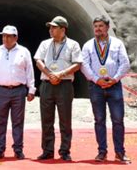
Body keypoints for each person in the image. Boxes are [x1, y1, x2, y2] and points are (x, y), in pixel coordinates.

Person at [81, 15, 131, 163]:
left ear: (107, 27)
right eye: (95, 26)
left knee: (117, 120)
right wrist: (97, 79)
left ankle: (120, 152)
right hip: (96, 86)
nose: (98, 29)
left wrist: (114, 79)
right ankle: (102, 151)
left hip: (114, 85)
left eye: (101, 26)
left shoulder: (117, 43)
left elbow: (125, 63)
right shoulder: (88, 45)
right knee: (99, 120)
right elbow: (84, 65)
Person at [0, 25, 36, 160]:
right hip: (0, 90)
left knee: (18, 121)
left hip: (18, 90)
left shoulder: (24, 51)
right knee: (0, 121)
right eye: (3, 36)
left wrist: (31, 89)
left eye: (8, 36)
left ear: (15, 37)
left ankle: (18, 149)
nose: (5, 39)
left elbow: (29, 71)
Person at [34, 16, 82, 161]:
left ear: (63, 29)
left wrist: (61, 74)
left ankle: (65, 151)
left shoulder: (73, 45)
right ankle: (47, 150)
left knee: (65, 120)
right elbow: (38, 60)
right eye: (50, 27)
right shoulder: (45, 44)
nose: (51, 30)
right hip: (47, 84)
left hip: (65, 85)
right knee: (46, 120)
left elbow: (77, 64)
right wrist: (50, 74)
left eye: (54, 27)